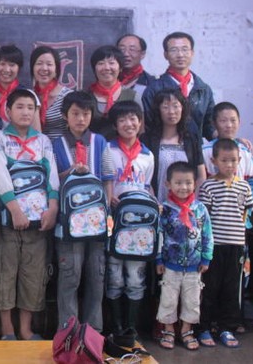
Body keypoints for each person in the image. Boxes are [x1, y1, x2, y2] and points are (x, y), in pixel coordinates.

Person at [0, 89, 59, 341]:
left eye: (30, 107)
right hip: (10, 220)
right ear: (8, 111)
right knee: (5, 272)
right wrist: (15, 210)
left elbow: (52, 175)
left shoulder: (43, 141)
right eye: (20, 106)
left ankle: (25, 329)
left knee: (34, 273)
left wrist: (53, 207)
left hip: (39, 221)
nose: (26, 112)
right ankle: (7, 329)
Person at [51, 91, 111, 331]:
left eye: (85, 114)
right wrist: (71, 172)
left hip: (97, 223)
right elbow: (51, 180)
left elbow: (108, 178)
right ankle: (68, 331)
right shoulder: (55, 143)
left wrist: (107, 215)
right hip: (67, 224)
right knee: (70, 276)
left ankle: (93, 331)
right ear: (65, 115)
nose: (80, 119)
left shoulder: (99, 142)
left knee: (97, 276)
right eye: (75, 114)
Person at [103, 100, 154, 343]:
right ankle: (116, 326)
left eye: (133, 118)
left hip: (140, 225)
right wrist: (108, 197)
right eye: (122, 120)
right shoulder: (107, 149)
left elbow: (147, 185)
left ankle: (131, 327)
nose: (128, 124)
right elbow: (105, 180)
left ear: (140, 122)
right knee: (114, 275)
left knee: (135, 276)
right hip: (115, 221)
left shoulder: (147, 155)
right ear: (115, 125)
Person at [197, 138, 253, 349]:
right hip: (215, 247)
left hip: (236, 246)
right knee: (209, 287)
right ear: (214, 161)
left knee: (231, 289)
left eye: (233, 160)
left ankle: (226, 328)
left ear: (239, 160)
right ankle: (204, 327)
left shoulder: (244, 187)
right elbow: (204, 219)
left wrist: (242, 244)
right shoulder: (208, 186)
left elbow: (245, 215)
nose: (229, 165)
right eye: (224, 160)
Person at [156, 162, 213, 351]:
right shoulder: (164, 210)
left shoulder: (200, 209)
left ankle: (187, 330)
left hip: (194, 266)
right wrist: (158, 259)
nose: (183, 187)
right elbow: (159, 235)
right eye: (178, 183)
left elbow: (207, 234)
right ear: (168, 184)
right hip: (170, 265)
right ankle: (168, 330)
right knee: (168, 299)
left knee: (192, 300)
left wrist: (206, 258)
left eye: (188, 183)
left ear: (195, 184)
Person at [142, 31, 215, 141]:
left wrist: (229, 138)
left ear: (192, 53)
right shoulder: (154, 89)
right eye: (174, 50)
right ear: (165, 55)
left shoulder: (204, 89)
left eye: (185, 49)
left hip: (196, 148)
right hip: (163, 147)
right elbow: (149, 126)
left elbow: (209, 126)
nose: (180, 55)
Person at [142, 88, 206, 201]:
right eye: (165, 107)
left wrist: (193, 202)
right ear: (158, 110)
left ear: (182, 108)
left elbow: (201, 175)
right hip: (156, 202)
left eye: (175, 106)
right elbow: (144, 177)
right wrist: (153, 202)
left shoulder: (191, 138)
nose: (171, 111)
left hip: (187, 205)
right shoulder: (147, 140)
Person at [202, 102, 253, 216]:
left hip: (239, 216)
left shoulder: (245, 152)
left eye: (233, 120)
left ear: (239, 122)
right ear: (214, 123)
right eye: (223, 121)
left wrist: (243, 209)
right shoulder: (205, 152)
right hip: (212, 215)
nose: (229, 125)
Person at [87, 45, 142, 140]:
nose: (106, 68)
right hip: (92, 147)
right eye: (101, 63)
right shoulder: (86, 96)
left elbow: (140, 130)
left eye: (111, 63)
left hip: (124, 148)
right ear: (94, 69)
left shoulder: (132, 96)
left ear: (120, 68)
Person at [0, 45, 28, 142]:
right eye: (2, 64)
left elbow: (36, 133)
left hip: (20, 150)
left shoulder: (27, 95)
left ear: (19, 68)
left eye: (12, 65)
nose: (6, 69)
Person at [31, 46, 72, 139]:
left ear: (56, 69)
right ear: (32, 68)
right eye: (39, 63)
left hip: (61, 146)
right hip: (34, 146)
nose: (44, 68)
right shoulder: (28, 96)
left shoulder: (68, 96)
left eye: (49, 64)